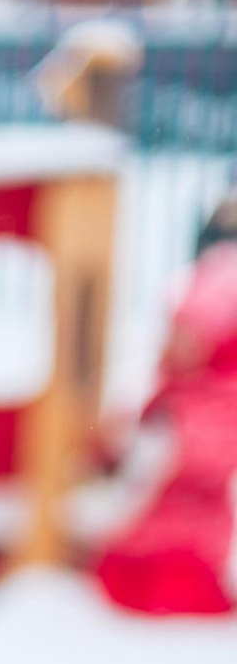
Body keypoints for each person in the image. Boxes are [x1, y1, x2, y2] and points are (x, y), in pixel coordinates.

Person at [89, 245, 237, 619]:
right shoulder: (175, 388)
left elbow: (209, 451)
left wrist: (173, 430)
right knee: (129, 567)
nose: (174, 341)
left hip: (194, 523)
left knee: (180, 576)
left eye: (189, 332)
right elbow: (141, 444)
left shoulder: (217, 398)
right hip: (155, 516)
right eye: (175, 329)